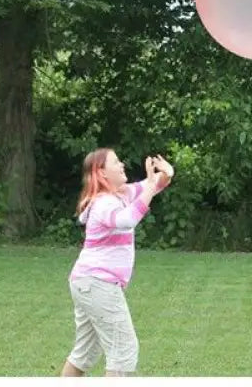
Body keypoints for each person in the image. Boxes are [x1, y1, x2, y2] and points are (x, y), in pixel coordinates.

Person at [61, 148, 174, 377]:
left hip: (88, 283)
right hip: (97, 283)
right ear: (101, 173)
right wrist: (151, 186)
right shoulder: (104, 203)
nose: (122, 164)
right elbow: (126, 220)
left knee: (85, 353)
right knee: (123, 350)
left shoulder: (121, 195)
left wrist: (167, 174)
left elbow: (153, 185)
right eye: (116, 162)